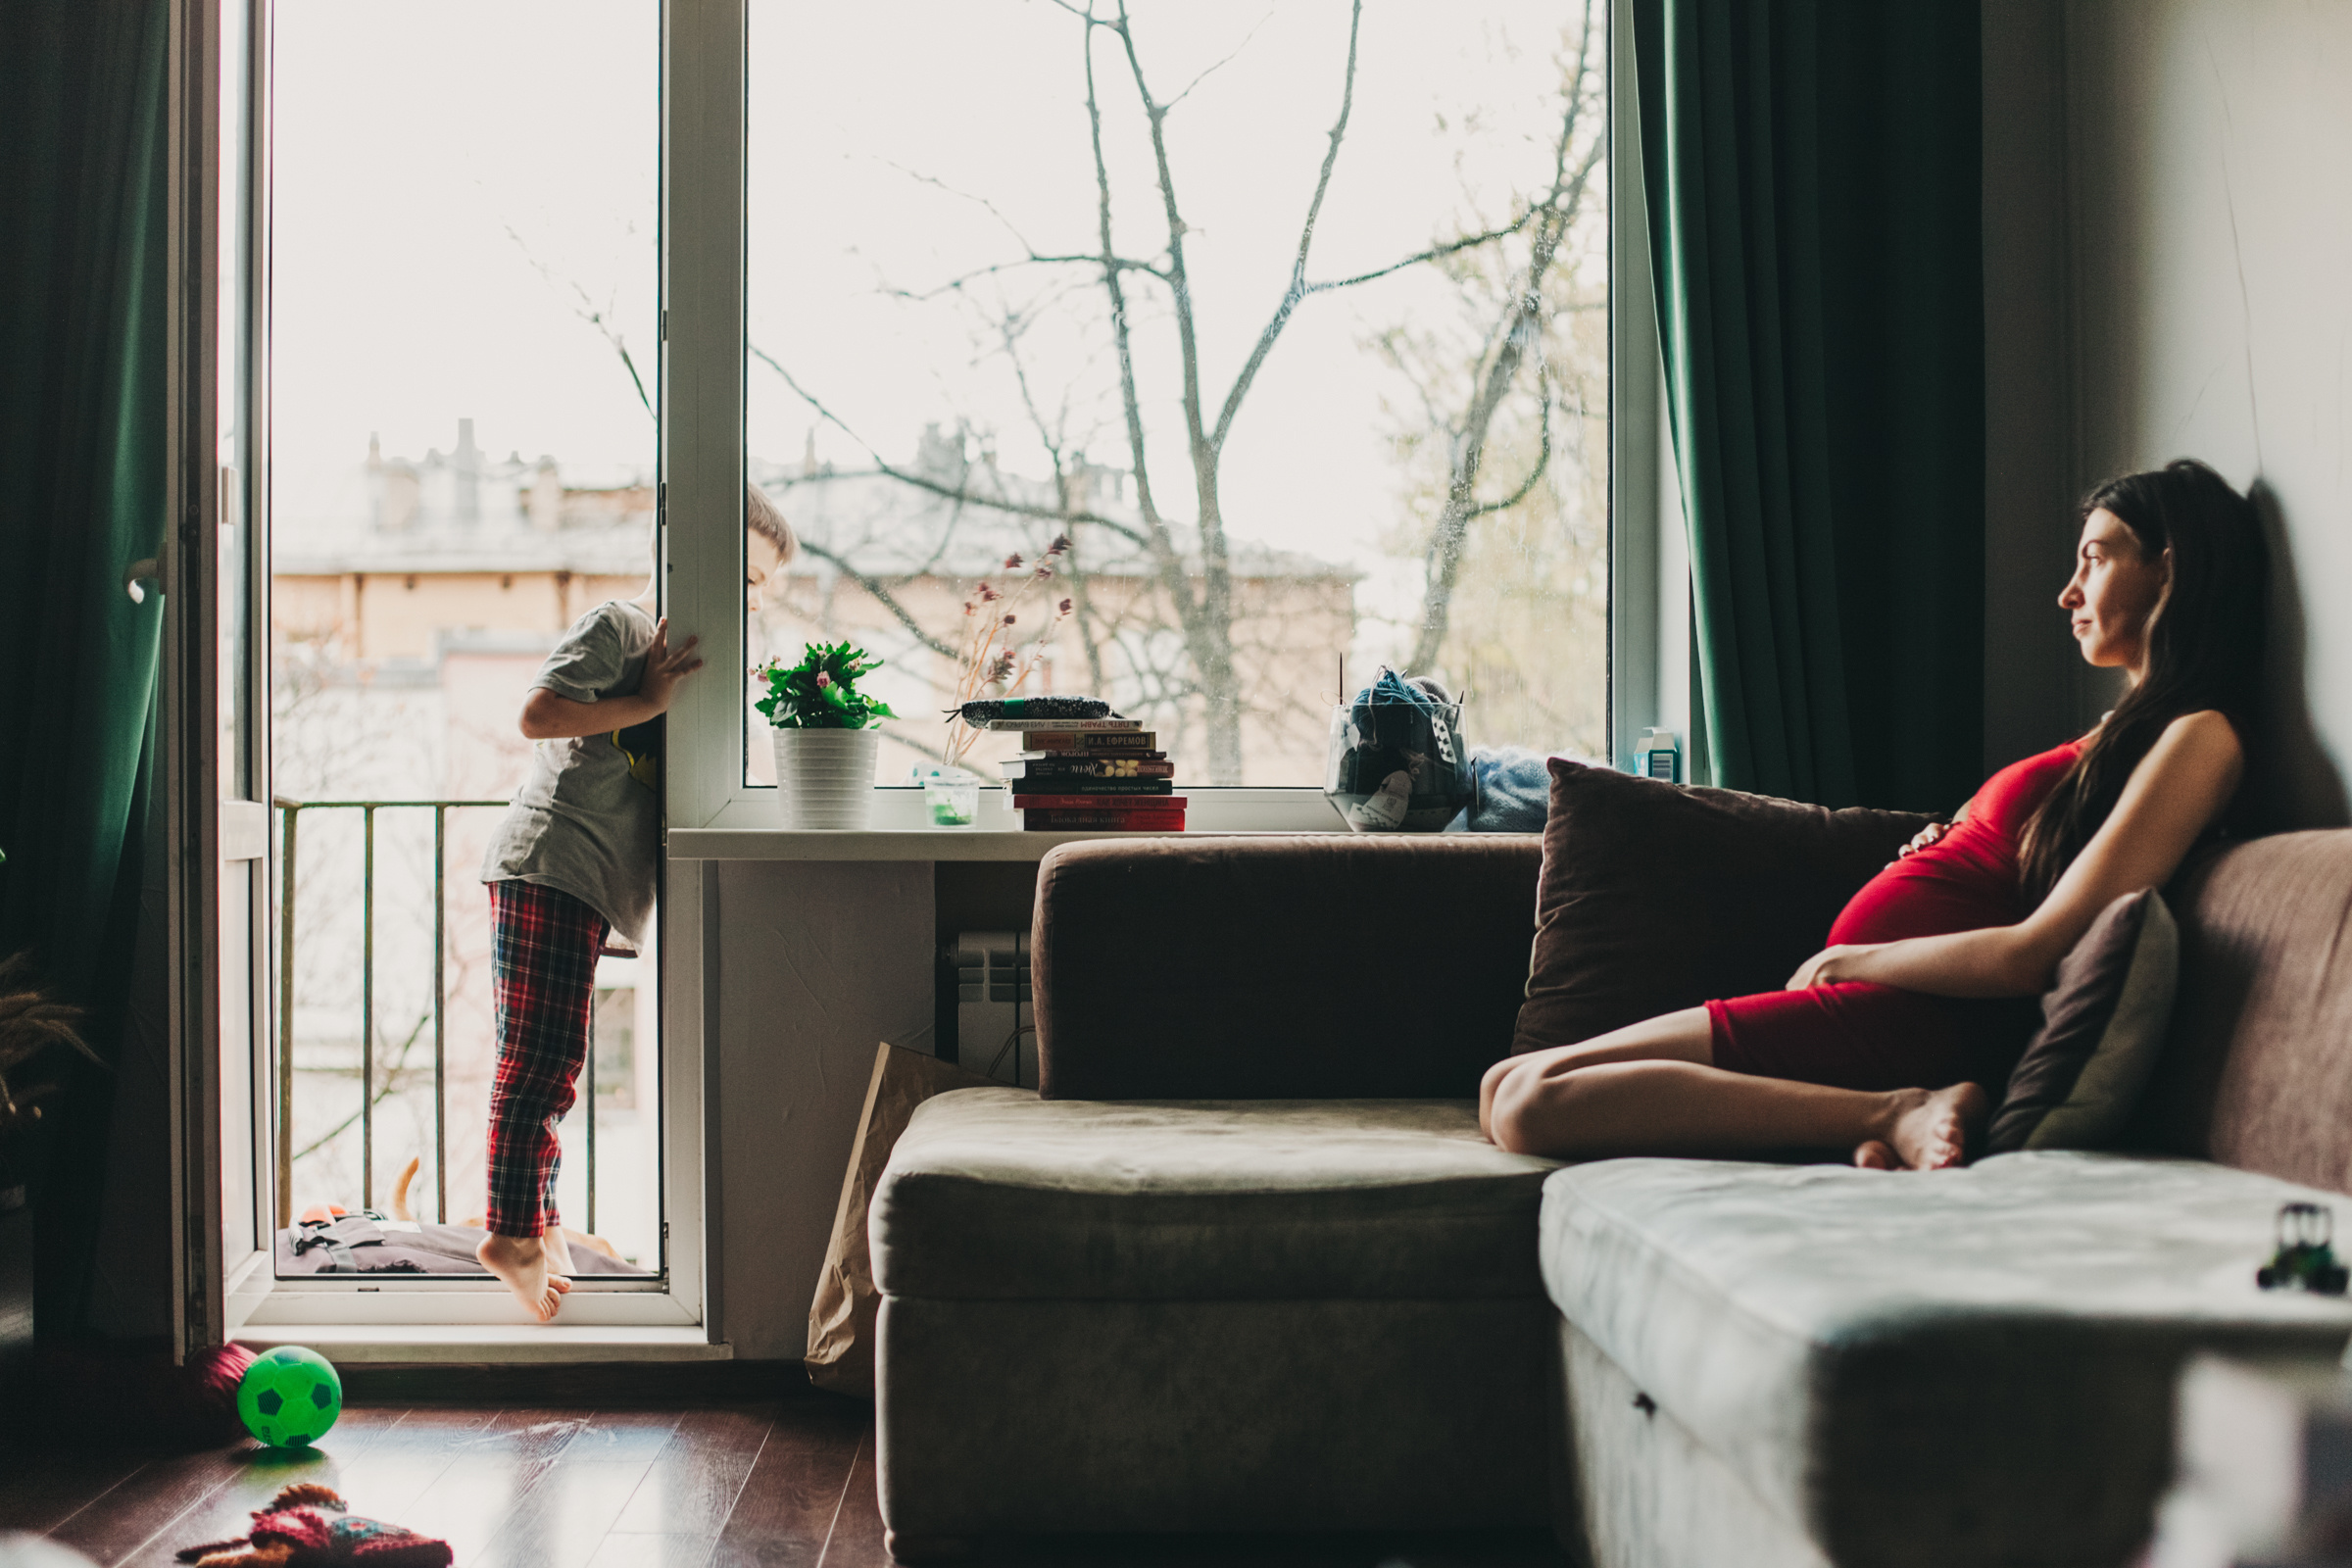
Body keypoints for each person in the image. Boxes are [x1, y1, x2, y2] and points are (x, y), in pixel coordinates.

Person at [1482, 459, 2270, 1170]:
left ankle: (1894, 1112)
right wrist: (1952, 839)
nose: (2068, 591)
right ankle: (1849, 1128)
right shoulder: (2114, 737)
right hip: (1884, 1008)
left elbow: (2039, 952)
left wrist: (1853, 962)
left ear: (2170, 568)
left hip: (1923, 1019)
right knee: (1500, 1085)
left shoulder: (2201, 737)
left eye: (2095, 558)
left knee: (1529, 1104)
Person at [475, 484, 797, 1318]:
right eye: (745, 577)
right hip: (551, 860)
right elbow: (538, 714)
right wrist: (647, 702)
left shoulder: (691, 662)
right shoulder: (621, 626)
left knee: (556, 1058)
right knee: (537, 1064)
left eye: (761, 588)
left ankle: (539, 1223)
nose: (751, 599)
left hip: (583, 878)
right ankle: (509, 1232)